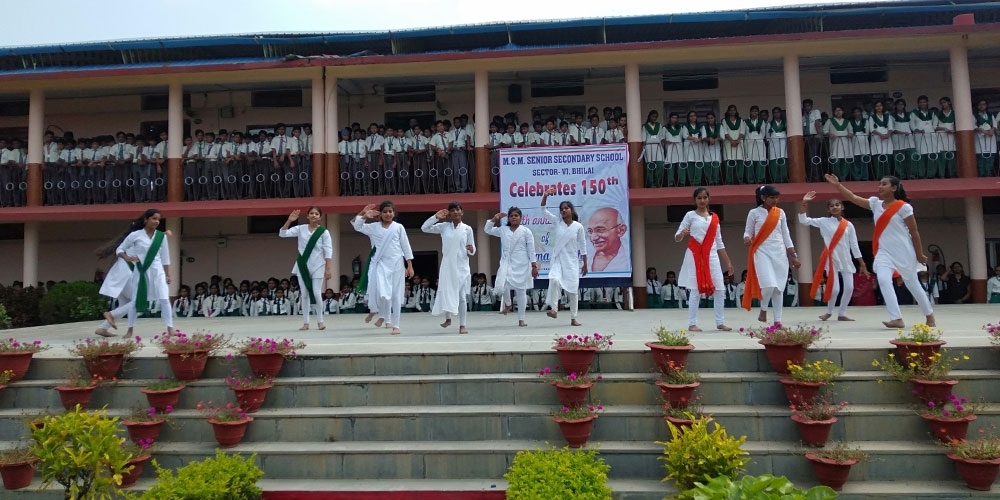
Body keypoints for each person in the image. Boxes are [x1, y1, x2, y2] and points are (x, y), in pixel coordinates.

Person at [824, 173, 935, 328]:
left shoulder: (904, 207)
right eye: (880, 184)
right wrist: (837, 185)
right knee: (883, 280)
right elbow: (853, 197)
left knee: (913, 285)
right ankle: (896, 318)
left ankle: (929, 316)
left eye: (884, 184)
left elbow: (914, 231)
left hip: (904, 252)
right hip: (884, 252)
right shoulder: (876, 204)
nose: (880, 187)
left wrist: (920, 254)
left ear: (894, 188)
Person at [798, 191, 869, 321]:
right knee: (834, 289)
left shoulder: (848, 225)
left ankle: (842, 313)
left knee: (849, 288)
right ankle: (829, 312)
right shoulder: (823, 222)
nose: (835, 207)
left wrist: (862, 263)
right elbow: (803, 220)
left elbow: (854, 245)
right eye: (832, 206)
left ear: (842, 207)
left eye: (837, 205)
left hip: (846, 258)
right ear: (828, 209)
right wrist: (804, 203)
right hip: (831, 259)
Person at [675, 187, 734, 331]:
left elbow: (719, 242)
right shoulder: (690, 215)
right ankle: (692, 323)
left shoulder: (714, 218)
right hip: (695, 255)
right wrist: (682, 234)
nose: (702, 200)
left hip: (712, 255)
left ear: (708, 199)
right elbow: (677, 237)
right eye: (699, 198)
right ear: (695, 200)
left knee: (720, 289)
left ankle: (720, 322)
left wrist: (728, 262)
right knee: (695, 290)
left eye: (704, 197)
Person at [352, 201, 415, 335]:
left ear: (394, 213)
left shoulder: (399, 227)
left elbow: (406, 246)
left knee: (396, 295)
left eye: (390, 211)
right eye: (385, 211)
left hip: (397, 264)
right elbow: (356, 226)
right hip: (380, 264)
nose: (388, 214)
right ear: (380, 213)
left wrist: (409, 265)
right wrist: (363, 214)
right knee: (382, 293)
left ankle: (395, 325)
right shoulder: (374, 227)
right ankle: (382, 315)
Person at [743, 185, 800, 325]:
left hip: (780, 252)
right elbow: (747, 232)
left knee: (779, 288)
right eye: (772, 197)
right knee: (768, 285)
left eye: (776, 197)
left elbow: (786, 235)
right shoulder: (754, 213)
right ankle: (763, 310)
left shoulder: (780, 213)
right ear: (763, 198)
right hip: (761, 251)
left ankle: (778, 321)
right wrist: (746, 239)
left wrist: (793, 255)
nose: (775, 200)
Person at [114, 209, 175, 335]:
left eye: (158, 219)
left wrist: (167, 274)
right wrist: (127, 258)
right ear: (146, 219)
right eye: (153, 218)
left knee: (164, 298)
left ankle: (170, 328)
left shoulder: (160, 237)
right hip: (141, 272)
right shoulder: (135, 235)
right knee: (135, 301)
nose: (156, 221)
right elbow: (120, 249)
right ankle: (130, 329)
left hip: (158, 272)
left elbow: (165, 257)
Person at [422, 202, 476, 333]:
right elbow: (424, 228)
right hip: (447, 265)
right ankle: (448, 318)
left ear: (462, 212)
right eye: (452, 210)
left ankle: (462, 325)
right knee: (446, 292)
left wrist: (471, 249)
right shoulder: (444, 227)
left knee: (462, 297)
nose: (455, 212)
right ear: (449, 213)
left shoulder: (467, 229)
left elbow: (472, 249)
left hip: (461, 266)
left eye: (458, 210)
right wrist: (436, 217)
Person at [279, 207, 334, 331]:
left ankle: (320, 321)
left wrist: (328, 268)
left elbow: (328, 250)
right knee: (304, 294)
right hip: (303, 265)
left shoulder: (324, 232)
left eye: (316, 214)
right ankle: (306, 322)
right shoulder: (300, 229)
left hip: (318, 265)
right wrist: (289, 221)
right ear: (308, 216)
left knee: (316, 292)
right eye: (311, 213)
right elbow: (282, 234)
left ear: (320, 217)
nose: (314, 215)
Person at [484, 207, 539, 327]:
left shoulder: (526, 231)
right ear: (508, 218)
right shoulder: (503, 229)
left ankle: (521, 319)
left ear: (521, 218)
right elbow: (487, 230)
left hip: (522, 263)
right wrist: (494, 219)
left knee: (521, 291)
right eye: (511, 215)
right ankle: (508, 304)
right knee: (502, 284)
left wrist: (534, 266)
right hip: (507, 262)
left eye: (516, 215)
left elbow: (531, 249)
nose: (514, 217)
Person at [540, 187, 587, 326]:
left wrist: (585, 263)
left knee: (573, 290)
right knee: (554, 280)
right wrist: (545, 195)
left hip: (572, 261)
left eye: (566, 208)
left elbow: (583, 245)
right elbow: (543, 210)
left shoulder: (578, 227)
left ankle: (573, 318)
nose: (564, 210)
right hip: (558, 260)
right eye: (561, 209)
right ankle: (554, 309)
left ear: (571, 210)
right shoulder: (557, 223)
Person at [586, 207, 629, 273]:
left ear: (621, 230)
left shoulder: (627, 259)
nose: (593, 238)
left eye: (600, 230)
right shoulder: (584, 255)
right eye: (590, 231)